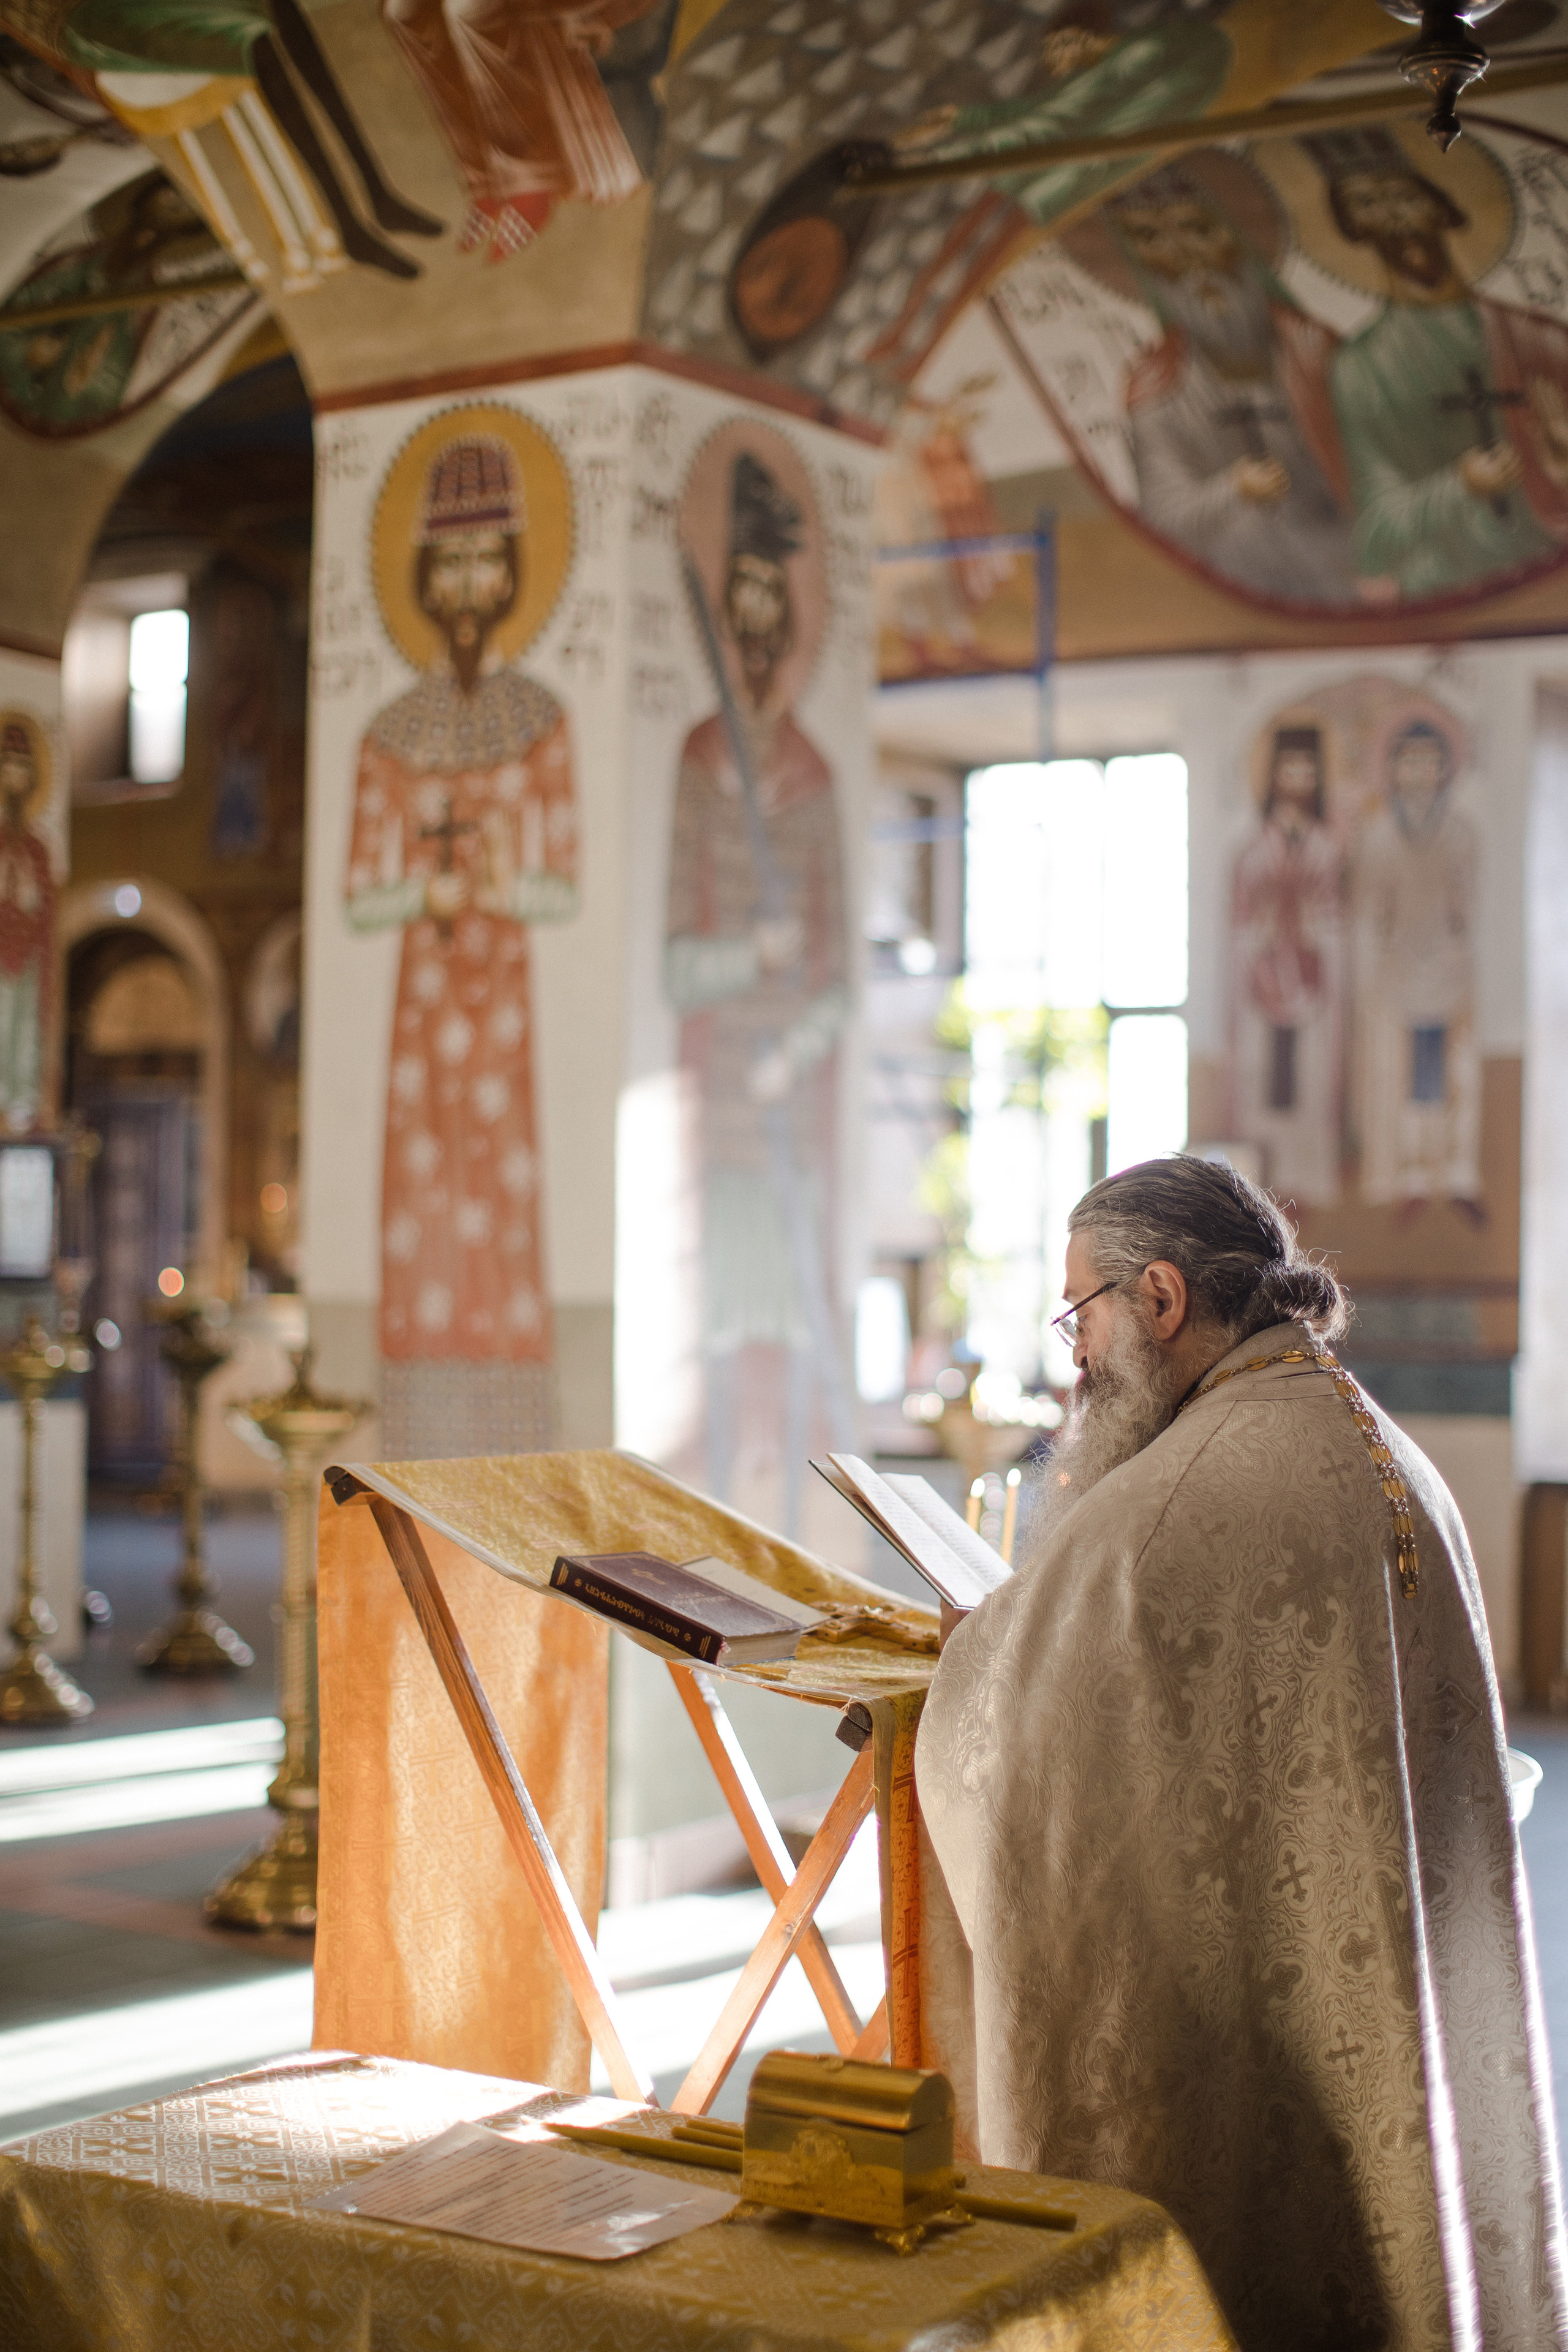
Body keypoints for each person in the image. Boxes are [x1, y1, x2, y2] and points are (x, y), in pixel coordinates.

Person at [916, 1155, 1566, 2352]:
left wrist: (974, 1654)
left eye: (1082, 1312)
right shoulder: (1371, 1440)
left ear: (1160, 1299)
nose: (1073, 1356)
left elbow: (1005, 1732)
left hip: (1243, 2043)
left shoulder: (1171, 1501)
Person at [345, 433, 578, 1456]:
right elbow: (360, 895)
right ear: (424, 579)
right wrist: (422, 887)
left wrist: (494, 884)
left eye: (490, 560)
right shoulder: (391, 733)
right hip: (424, 1001)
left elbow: (561, 876)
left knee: (499, 1191)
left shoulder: (543, 721)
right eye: (452, 563)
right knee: (424, 1191)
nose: (472, 584)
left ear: (516, 572)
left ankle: (508, 1416)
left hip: (501, 1002)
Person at [664, 450, 846, 1531]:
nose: (760, 640)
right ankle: (721, 1512)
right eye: (743, 617)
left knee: (789, 1321)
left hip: (792, 1105)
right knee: (723, 1330)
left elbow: (840, 979)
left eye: (775, 614)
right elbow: (677, 966)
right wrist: (749, 954)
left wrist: (801, 1040)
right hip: (716, 1108)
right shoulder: (698, 763)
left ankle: (787, 1522)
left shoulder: (815, 777)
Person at [1310, 125, 1568, 600]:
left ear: (1439, 206)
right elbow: (1375, 532)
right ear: (1353, 229)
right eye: (1366, 205)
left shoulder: (1543, 341)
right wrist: (1460, 485)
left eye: (1402, 197)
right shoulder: (1360, 368)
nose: (1392, 220)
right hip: (1441, 589)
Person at [1109, 171, 1355, 603]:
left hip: (1347, 563)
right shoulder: (1158, 387)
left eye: (1199, 232)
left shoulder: (1318, 352)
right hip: (1246, 585)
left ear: (1239, 245)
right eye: (1153, 242)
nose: (1188, 258)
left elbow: (1378, 470)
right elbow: (1167, 518)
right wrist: (1235, 489)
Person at [1353, 718, 1480, 1205]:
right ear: (1394, 770)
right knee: (1399, 1071)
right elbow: (1372, 902)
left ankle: (1445, 1165)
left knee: (1445, 1072)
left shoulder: (1459, 832)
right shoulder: (1380, 834)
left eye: (1430, 761)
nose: (1420, 772)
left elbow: (1465, 902)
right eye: (1410, 761)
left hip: (1446, 967)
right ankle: (1402, 1169)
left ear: (1445, 768)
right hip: (1397, 968)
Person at [1230, 723, 1346, 1202]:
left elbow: (1335, 911)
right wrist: (1268, 927)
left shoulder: (1325, 847)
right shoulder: (1254, 848)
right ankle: (1265, 1190)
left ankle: (1308, 1183)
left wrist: (1313, 925)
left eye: (1306, 770)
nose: (1297, 780)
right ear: (1273, 776)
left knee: (1311, 1080)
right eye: (1289, 769)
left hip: (1311, 978)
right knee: (1265, 1082)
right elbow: (1242, 915)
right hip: (1265, 980)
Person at [0, 720, 53, 1133]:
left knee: (22, 1036)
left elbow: (47, 916)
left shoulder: (37, 849)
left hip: (29, 960)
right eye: (8, 763)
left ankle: (19, 1111)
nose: (14, 773)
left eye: (22, 764)